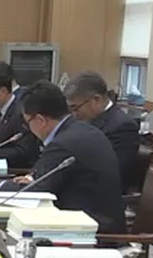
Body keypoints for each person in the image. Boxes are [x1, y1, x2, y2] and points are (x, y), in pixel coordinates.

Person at [16, 81, 126, 234]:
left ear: (40, 120)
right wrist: (33, 179)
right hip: (92, 220)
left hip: (92, 232)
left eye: (28, 122)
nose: (28, 128)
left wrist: (1, 187)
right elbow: (44, 178)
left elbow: (37, 192)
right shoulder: (81, 129)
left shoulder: (63, 143)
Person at [64, 71, 141, 192]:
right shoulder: (85, 121)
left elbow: (113, 172)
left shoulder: (123, 126)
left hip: (101, 193)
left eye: (76, 108)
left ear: (96, 99)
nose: (74, 114)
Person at [0, 62, 40, 169]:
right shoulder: (0, 109)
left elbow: (24, 152)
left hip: (13, 170)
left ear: (2, 91)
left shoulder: (20, 112)